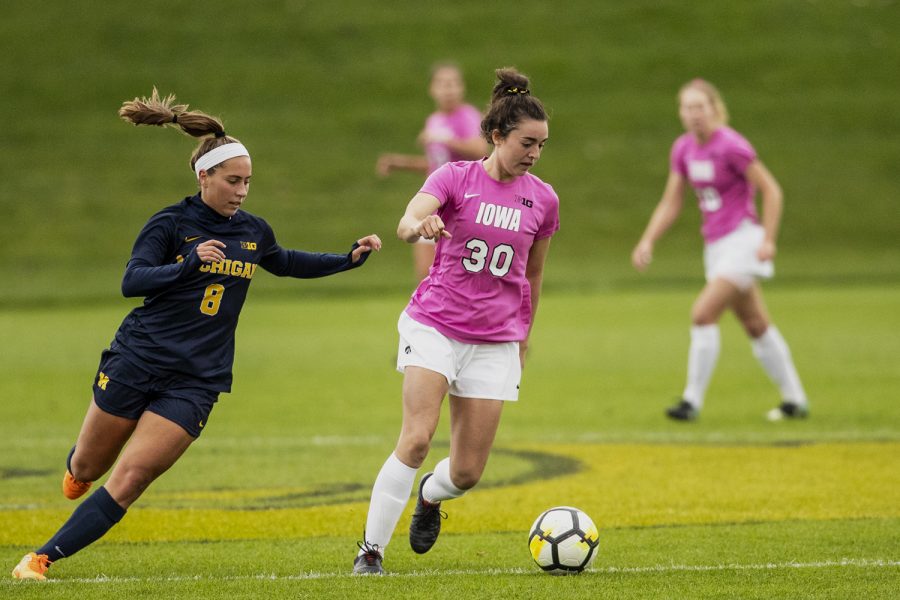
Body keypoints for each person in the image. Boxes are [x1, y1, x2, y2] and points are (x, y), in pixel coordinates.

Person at [11, 89, 381, 580]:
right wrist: (186, 265)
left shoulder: (252, 231)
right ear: (204, 176)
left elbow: (286, 261)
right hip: (138, 358)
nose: (242, 191)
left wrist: (346, 259)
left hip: (197, 380)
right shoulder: (171, 223)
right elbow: (132, 281)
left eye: (248, 181)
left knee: (132, 477)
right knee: (88, 467)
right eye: (232, 180)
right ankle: (78, 467)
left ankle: (41, 558)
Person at [352, 67, 559, 575]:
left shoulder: (544, 199)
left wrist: (524, 342)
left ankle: (430, 496)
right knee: (418, 437)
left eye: (542, 145)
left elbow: (532, 277)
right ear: (496, 136)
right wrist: (417, 225)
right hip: (435, 326)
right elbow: (407, 221)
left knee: (466, 473)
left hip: (495, 342)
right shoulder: (453, 178)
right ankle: (371, 551)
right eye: (526, 142)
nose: (534, 153)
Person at [631, 78, 808, 422]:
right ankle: (795, 400)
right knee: (755, 323)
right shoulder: (683, 149)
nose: (694, 114)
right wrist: (648, 240)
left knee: (702, 313)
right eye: (687, 107)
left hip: (743, 240)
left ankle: (690, 402)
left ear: (714, 108)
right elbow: (672, 202)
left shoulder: (731, 145)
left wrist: (768, 239)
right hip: (715, 246)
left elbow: (771, 190)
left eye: (700, 107)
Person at [376, 62, 488, 281]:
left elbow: (480, 150)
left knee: (457, 275)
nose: (449, 89)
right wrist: (400, 163)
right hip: (434, 202)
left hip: (461, 204)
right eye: (443, 84)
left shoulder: (467, 116)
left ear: (462, 88)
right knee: (425, 273)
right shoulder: (434, 120)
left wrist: (444, 139)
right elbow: (438, 166)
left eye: (454, 83)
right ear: (432, 89)